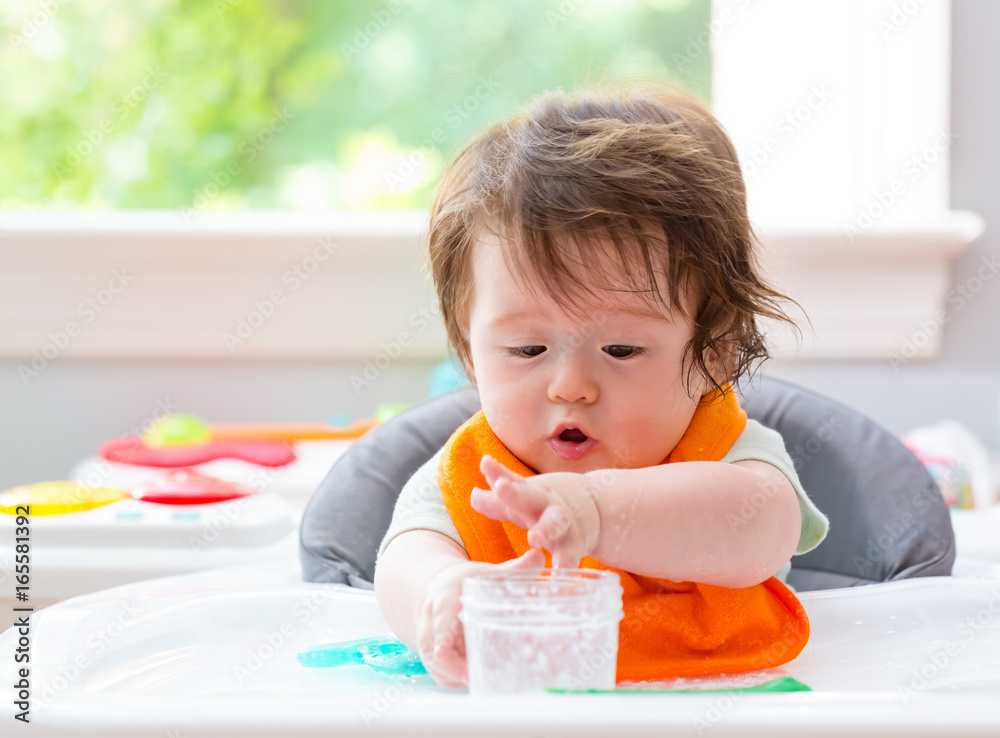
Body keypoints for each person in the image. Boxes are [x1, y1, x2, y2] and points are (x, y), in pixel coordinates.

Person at [373, 80, 829, 689]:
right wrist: (441, 595)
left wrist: (594, 512)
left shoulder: (728, 455)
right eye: (526, 349)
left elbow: (758, 530)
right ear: (470, 347)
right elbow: (403, 560)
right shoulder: (472, 475)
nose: (570, 386)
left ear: (713, 350)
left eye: (620, 349)